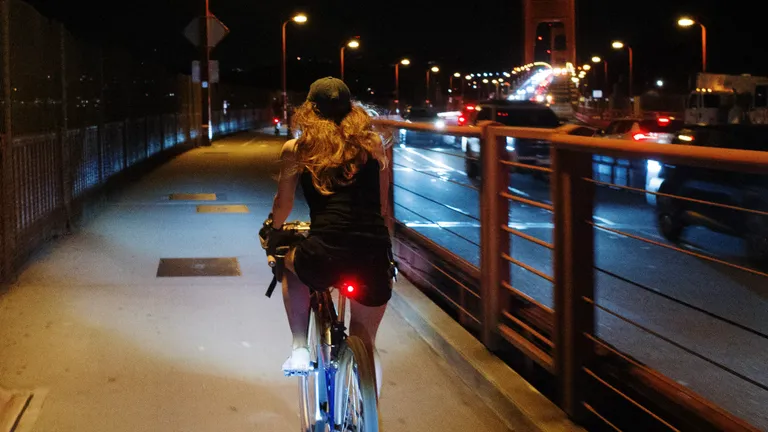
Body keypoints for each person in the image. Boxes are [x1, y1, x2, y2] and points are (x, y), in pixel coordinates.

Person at [263, 77, 392, 393]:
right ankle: (369, 410)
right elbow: (383, 208)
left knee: (290, 264)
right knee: (366, 342)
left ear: (309, 110)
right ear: (352, 110)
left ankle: (299, 347)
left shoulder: (298, 148)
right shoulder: (373, 145)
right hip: (372, 252)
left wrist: (273, 232)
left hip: (324, 252)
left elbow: (283, 204)